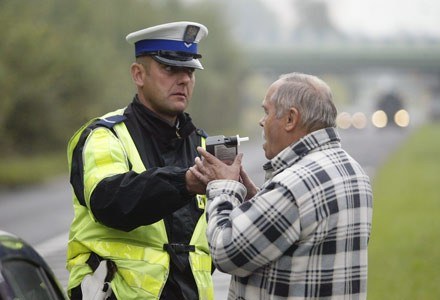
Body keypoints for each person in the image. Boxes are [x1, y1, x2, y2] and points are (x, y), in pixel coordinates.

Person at [190, 72, 373, 299]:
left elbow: (226, 252)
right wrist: (256, 199)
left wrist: (223, 187)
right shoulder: (352, 170)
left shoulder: (292, 187)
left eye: (266, 111)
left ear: (290, 119)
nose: (261, 121)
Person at [66, 21, 214, 300]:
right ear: (138, 74)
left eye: (190, 71)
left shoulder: (203, 146)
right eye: (170, 69)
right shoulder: (104, 136)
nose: (183, 79)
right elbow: (110, 201)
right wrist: (184, 182)